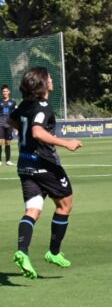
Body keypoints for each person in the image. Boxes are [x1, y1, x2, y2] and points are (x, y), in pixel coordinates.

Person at [7, 67, 82, 279]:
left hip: (24, 164)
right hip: (45, 164)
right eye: (49, 77)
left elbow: (11, 121)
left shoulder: (25, 105)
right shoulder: (43, 105)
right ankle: (54, 252)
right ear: (43, 83)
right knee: (65, 204)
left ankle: (22, 251)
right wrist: (66, 143)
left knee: (33, 209)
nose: (51, 80)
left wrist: (23, 135)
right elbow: (37, 131)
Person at [1, 84, 17, 165]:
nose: (5, 93)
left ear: (9, 92)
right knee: (0, 142)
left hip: (9, 124)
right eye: (3, 91)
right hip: (0, 124)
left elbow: (15, 114)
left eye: (6, 91)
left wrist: (16, 127)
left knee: (8, 142)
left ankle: (8, 160)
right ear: (2, 92)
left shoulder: (13, 102)